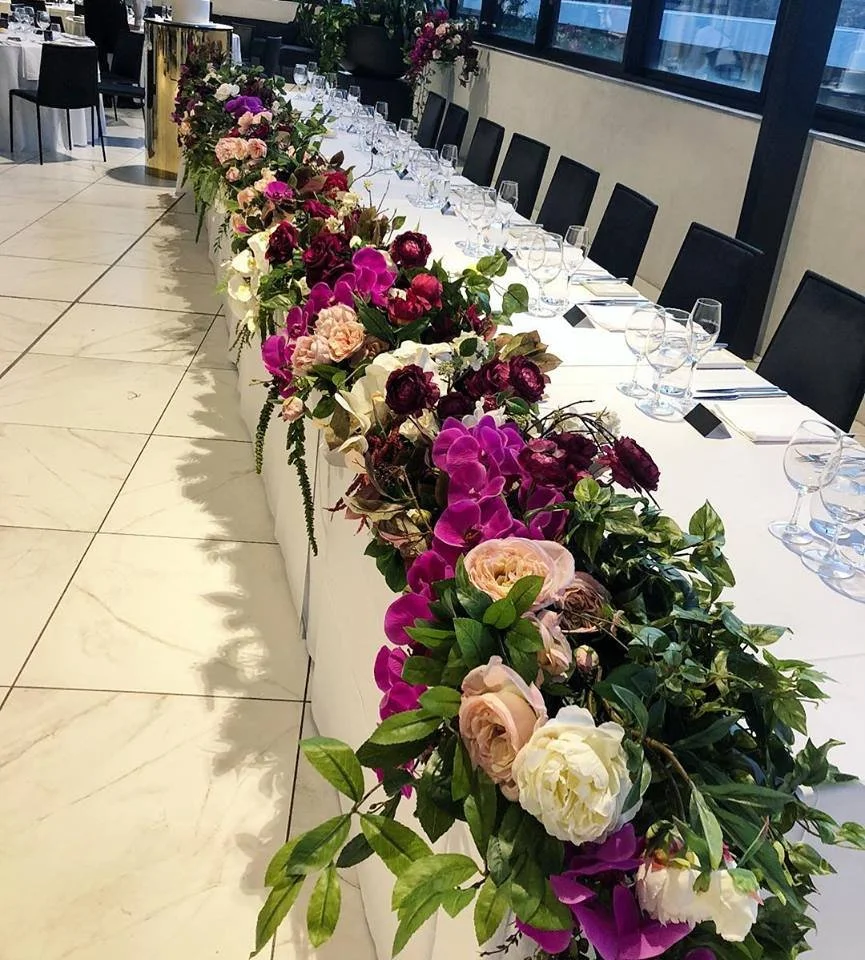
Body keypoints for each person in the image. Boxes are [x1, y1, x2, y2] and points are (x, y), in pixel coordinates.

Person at [83, 0, 129, 75]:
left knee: (97, 52)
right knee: (120, 53)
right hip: (109, 9)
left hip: (95, 9)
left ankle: (100, 78)